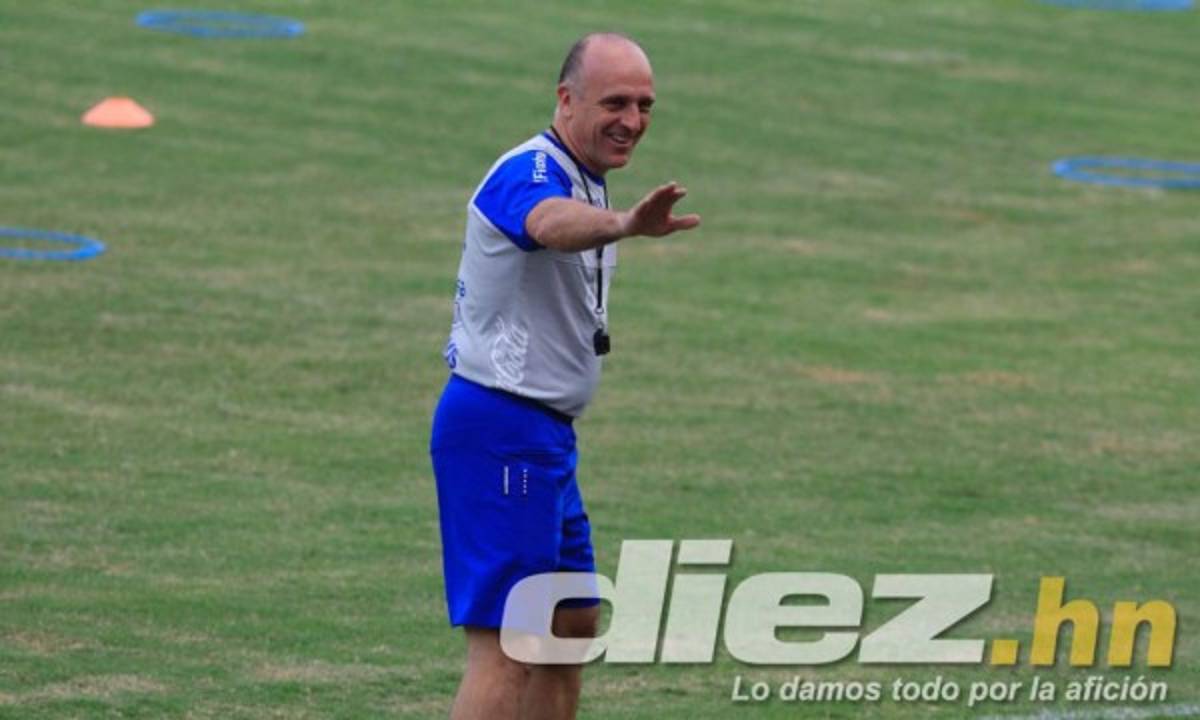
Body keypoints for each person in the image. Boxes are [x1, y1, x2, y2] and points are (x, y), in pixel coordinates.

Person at [430, 32, 700, 720]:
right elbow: (547, 223)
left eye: (645, 105)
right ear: (566, 99)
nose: (633, 121)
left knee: (570, 625)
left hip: (541, 438)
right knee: (513, 643)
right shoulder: (531, 173)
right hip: (502, 432)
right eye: (615, 102)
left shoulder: (581, 173)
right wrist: (625, 223)